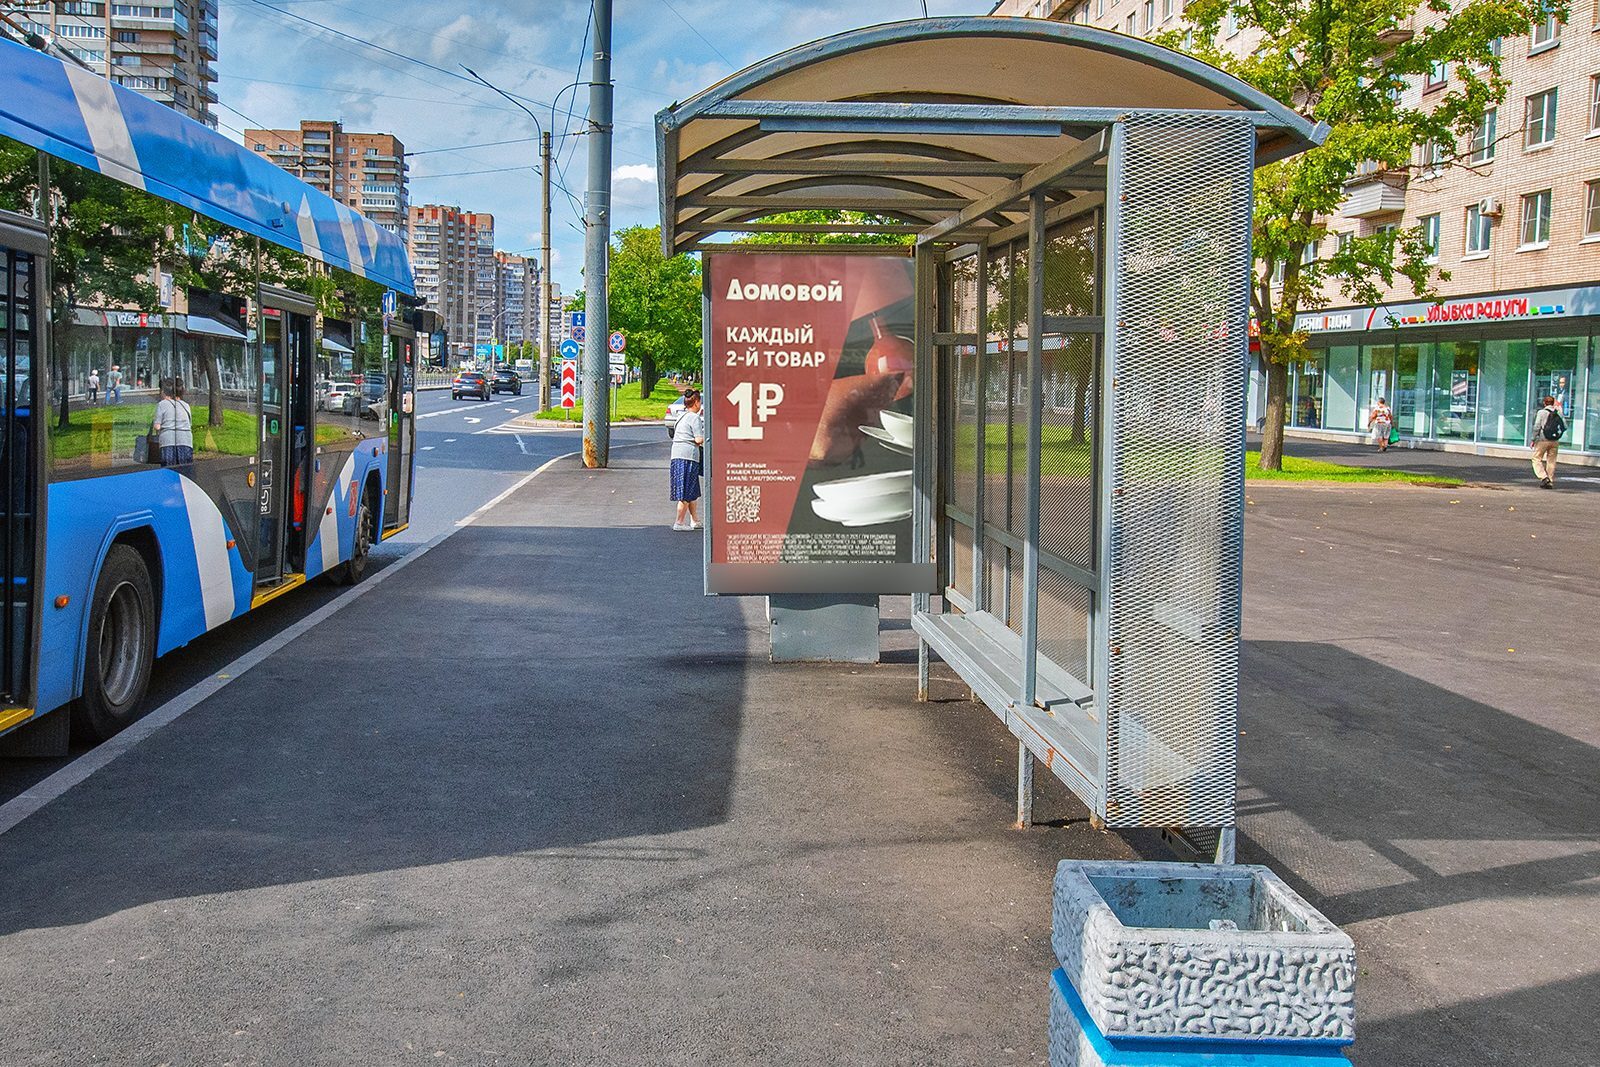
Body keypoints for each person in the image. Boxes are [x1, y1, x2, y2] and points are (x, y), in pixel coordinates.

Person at [669, 388, 704, 531]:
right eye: (700, 402)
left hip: (677, 455)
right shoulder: (694, 418)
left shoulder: (681, 416)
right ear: (696, 403)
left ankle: (695, 520)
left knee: (692, 490)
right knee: (686, 490)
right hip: (688, 456)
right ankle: (679, 522)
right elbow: (699, 439)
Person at [152, 377, 193, 467]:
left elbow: (157, 427)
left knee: (169, 470)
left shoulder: (162, 404)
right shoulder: (186, 405)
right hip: (186, 441)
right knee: (185, 471)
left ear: (163, 392)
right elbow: (189, 424)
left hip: (168, 441)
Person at [1529, 395, 1565, 489]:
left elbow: (1537, 427)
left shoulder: (1541, 412)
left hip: (1543, 440)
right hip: (1555, 440)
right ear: (1553, 403)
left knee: (1536, 458)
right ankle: (1550, 481)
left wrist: (1533, 439)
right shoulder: (1558, 412)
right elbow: (1564, 425)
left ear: (1544, 403)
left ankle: (1544, 477)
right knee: (1551, 461)